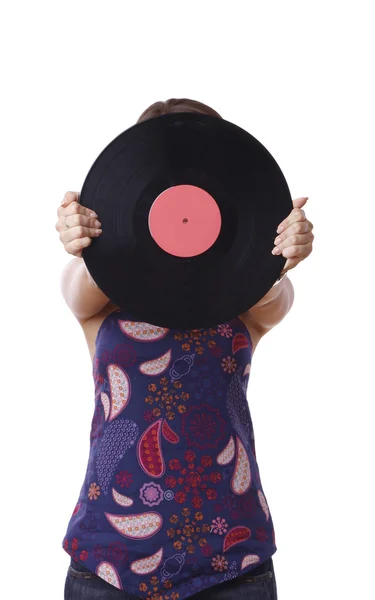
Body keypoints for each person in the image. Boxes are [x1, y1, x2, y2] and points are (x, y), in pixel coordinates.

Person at [56, 98, 314, 600]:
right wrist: (85, 238)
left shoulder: (243, 300)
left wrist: (277, 258)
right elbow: (75, 288)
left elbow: (275, 301)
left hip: (235, 568)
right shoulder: (100, 299)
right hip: (107, 566)